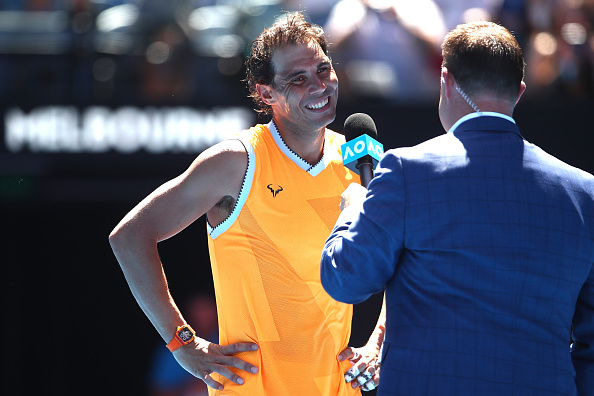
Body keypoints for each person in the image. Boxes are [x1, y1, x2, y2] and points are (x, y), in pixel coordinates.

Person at [109, 12, 381, 395]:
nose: (320, 85)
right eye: (298, 79)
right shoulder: (235, 161)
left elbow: (406, 257)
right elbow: (130, 236)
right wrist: (182, 343)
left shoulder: (360, 160)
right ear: (266, 93)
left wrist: (378, 342)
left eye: (323, 69)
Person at [320, 21, 594, 395]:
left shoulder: (405, 170)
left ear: (445, 81)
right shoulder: (585, 193)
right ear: (519, 92)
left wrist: (353, 206)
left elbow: (346, 279)